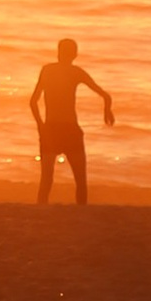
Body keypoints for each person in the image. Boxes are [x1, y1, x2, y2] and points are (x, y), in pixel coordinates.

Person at [29, 37, 112, 205]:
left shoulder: (47, 70)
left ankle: (40, 212)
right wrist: (107, 110)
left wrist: (40, 126)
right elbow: (105, 95)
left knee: (46, 179)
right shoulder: (76, 72)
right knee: (80, 180)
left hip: (50, 128)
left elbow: (33, 101)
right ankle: (81, 212)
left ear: (58, 52)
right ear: (75, 54)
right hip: (69, 129)